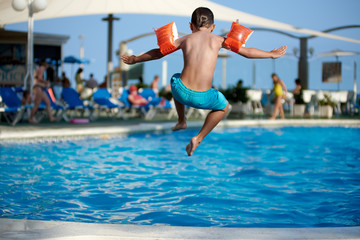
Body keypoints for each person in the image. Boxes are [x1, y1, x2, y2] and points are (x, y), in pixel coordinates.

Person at [121, 7, 286, 156]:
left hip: (181, 92)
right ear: (212, 27)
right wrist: (271, 54)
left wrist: (135, 59)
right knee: (224, 106)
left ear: (190, 26)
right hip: (203, 97)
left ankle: (181, 120)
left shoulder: (184, 40)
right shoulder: (219, 40)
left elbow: (158, 53)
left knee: (175, 78)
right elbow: (248, 52)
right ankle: (198, 138)